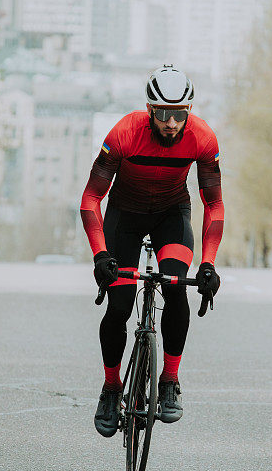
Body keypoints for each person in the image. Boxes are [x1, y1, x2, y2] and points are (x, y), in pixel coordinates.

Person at [80, 65, 224, 437]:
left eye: (179, 114)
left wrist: (208, 264)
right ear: (150, 110)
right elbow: (92, 197)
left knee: (176, 286)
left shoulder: (204, 138)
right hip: (124, 217)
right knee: (120, 305)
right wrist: (100, 255)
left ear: (189, 111)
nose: (172, 123)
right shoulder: (125, 133)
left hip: (171, 215)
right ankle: (112, 388)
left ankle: (170, 381)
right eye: (163, 114)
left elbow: (215, 205)